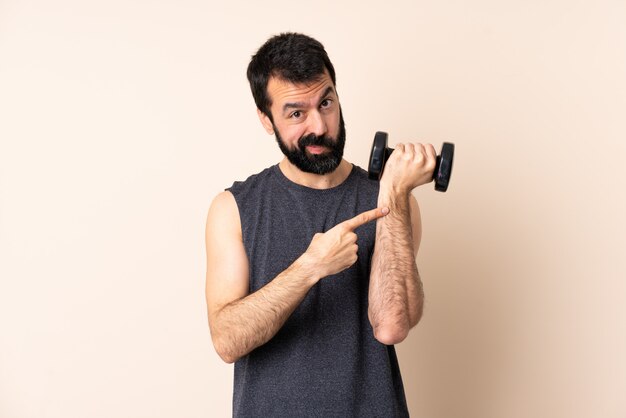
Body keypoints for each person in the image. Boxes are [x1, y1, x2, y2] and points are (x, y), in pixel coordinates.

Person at [205, 32, 437, 417]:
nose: (319, 125)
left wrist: (393, 195)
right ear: (266, 120)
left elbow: (392, 326)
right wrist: (310, 267)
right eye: (296, 113)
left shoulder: (393, 202)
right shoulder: (234, 208)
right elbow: (227, 340)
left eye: (326, 103)